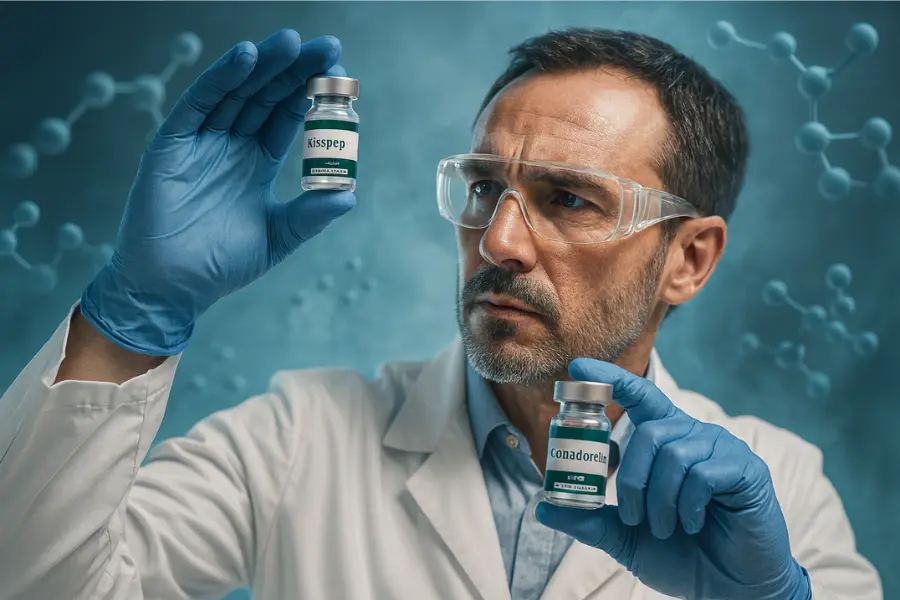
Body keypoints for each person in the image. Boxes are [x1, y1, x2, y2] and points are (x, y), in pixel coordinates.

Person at [0, 26, 882, 600]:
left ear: (687, 259)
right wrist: (133, 313)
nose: (499, 239)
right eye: (485, 186)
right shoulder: (299, 438)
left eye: (570, 199)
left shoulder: (780, 494)